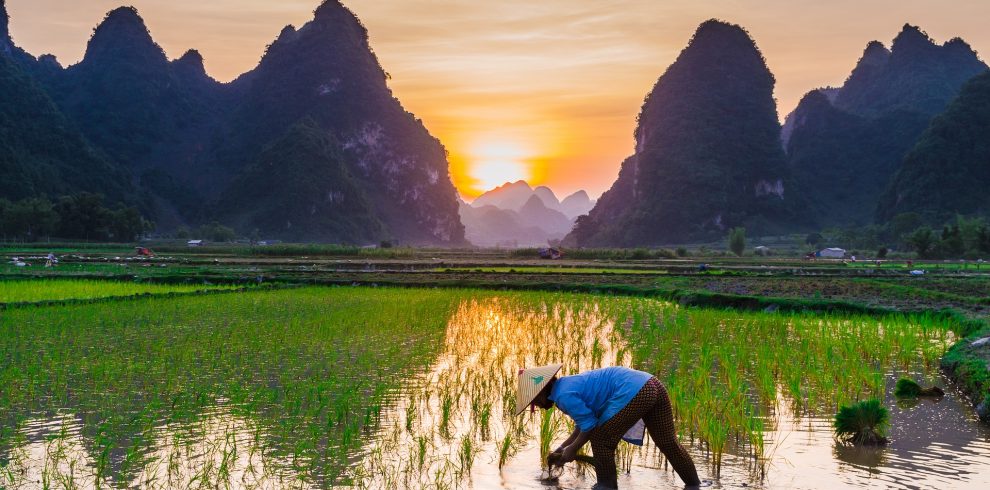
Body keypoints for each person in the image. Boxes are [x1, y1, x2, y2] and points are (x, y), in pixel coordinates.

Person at [517, 364, 700, 489]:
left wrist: (572, 450)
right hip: (652, 384)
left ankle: (606, 487)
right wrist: (563, 447)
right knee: (668, 443)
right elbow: (583, 425)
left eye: (535, 402)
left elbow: (589, 427)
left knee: (601, 440)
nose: (538, 407)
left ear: (541, 393)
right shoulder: (566, 386)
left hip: (635, 391)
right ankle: (694, 485)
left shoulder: (563, 396)